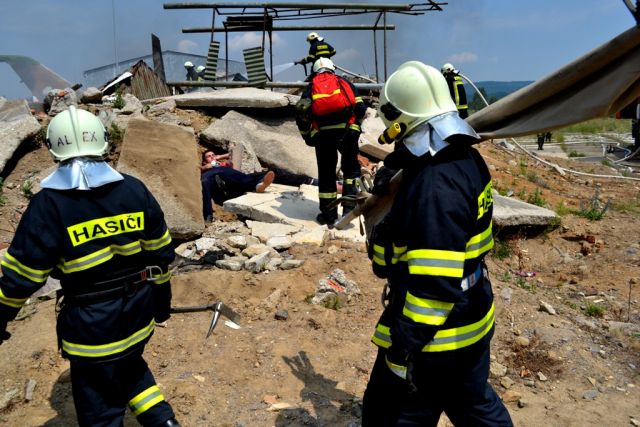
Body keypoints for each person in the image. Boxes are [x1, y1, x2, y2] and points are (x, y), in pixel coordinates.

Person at [0, 106, 181, 426]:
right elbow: (161, 253)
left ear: (54, 148)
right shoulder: (133, 189)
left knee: (100, 409)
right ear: (101, 141)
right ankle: (164, 422)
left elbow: (22, 278)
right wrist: (161, 302)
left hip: (93, 328)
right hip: (138, 314)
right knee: (130, 368)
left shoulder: (48, 204)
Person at [362, 61, 513, 426]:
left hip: (436, 338)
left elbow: (434, 287)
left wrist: (403, 347)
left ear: (400, 121)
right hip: (472, 316)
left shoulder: (433, 186)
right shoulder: (466, 156)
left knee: (389, 413)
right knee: (473, 405)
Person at [295, 58, 367, 226]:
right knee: (351, 171)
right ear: (332, 68)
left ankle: (328, 215)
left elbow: (302, 113)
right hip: (348, 132)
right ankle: (349, 211)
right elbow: (360, 108)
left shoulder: (311, 87)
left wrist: (307, 136)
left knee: (327, 174)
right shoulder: (345, 83)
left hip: (323, 136)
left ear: (314, 71)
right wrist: (355, 125)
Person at [200, 150, 275, 222]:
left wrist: (220, 157)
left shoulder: (220, 164)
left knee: (266, 172)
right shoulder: (208, 171)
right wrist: (204, 167)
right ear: (204, 161)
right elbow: (204, 174)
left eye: (213, 155)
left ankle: (259, 186)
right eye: (208, 156)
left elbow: (232, 155)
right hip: (224, 192)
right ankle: (208, 215)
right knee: (208, 177)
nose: (212, 157)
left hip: (235, 186)